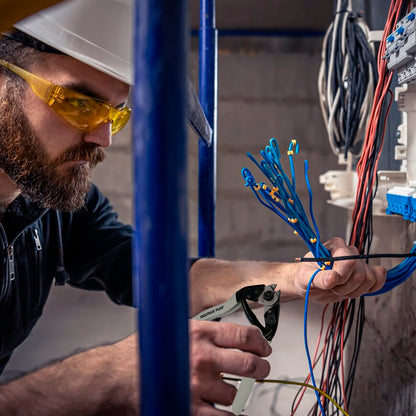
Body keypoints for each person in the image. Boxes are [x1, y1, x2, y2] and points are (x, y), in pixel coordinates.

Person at [0, 1, 386, 415]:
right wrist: (105, 375)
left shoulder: (49, 203)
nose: (103, 138)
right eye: (79, 103)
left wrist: (291, 276)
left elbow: (151, 272)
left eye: (115, 115)